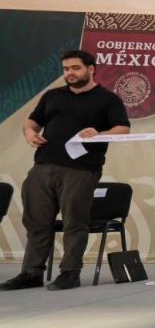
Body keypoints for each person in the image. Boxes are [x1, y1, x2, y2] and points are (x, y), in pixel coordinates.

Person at [0, 50, 130, 291]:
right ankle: (31, 272)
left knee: (74, 222)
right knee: (36, 222)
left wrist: (100, 134)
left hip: (81, 169)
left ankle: (70, 272)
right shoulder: (52, 96)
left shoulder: (107, 99)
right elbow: (31, 121)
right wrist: (29, 133)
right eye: (66, 69)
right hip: (43, 166)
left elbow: (123, 129)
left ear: (91, 69)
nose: (70, 73)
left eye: (75, 68)